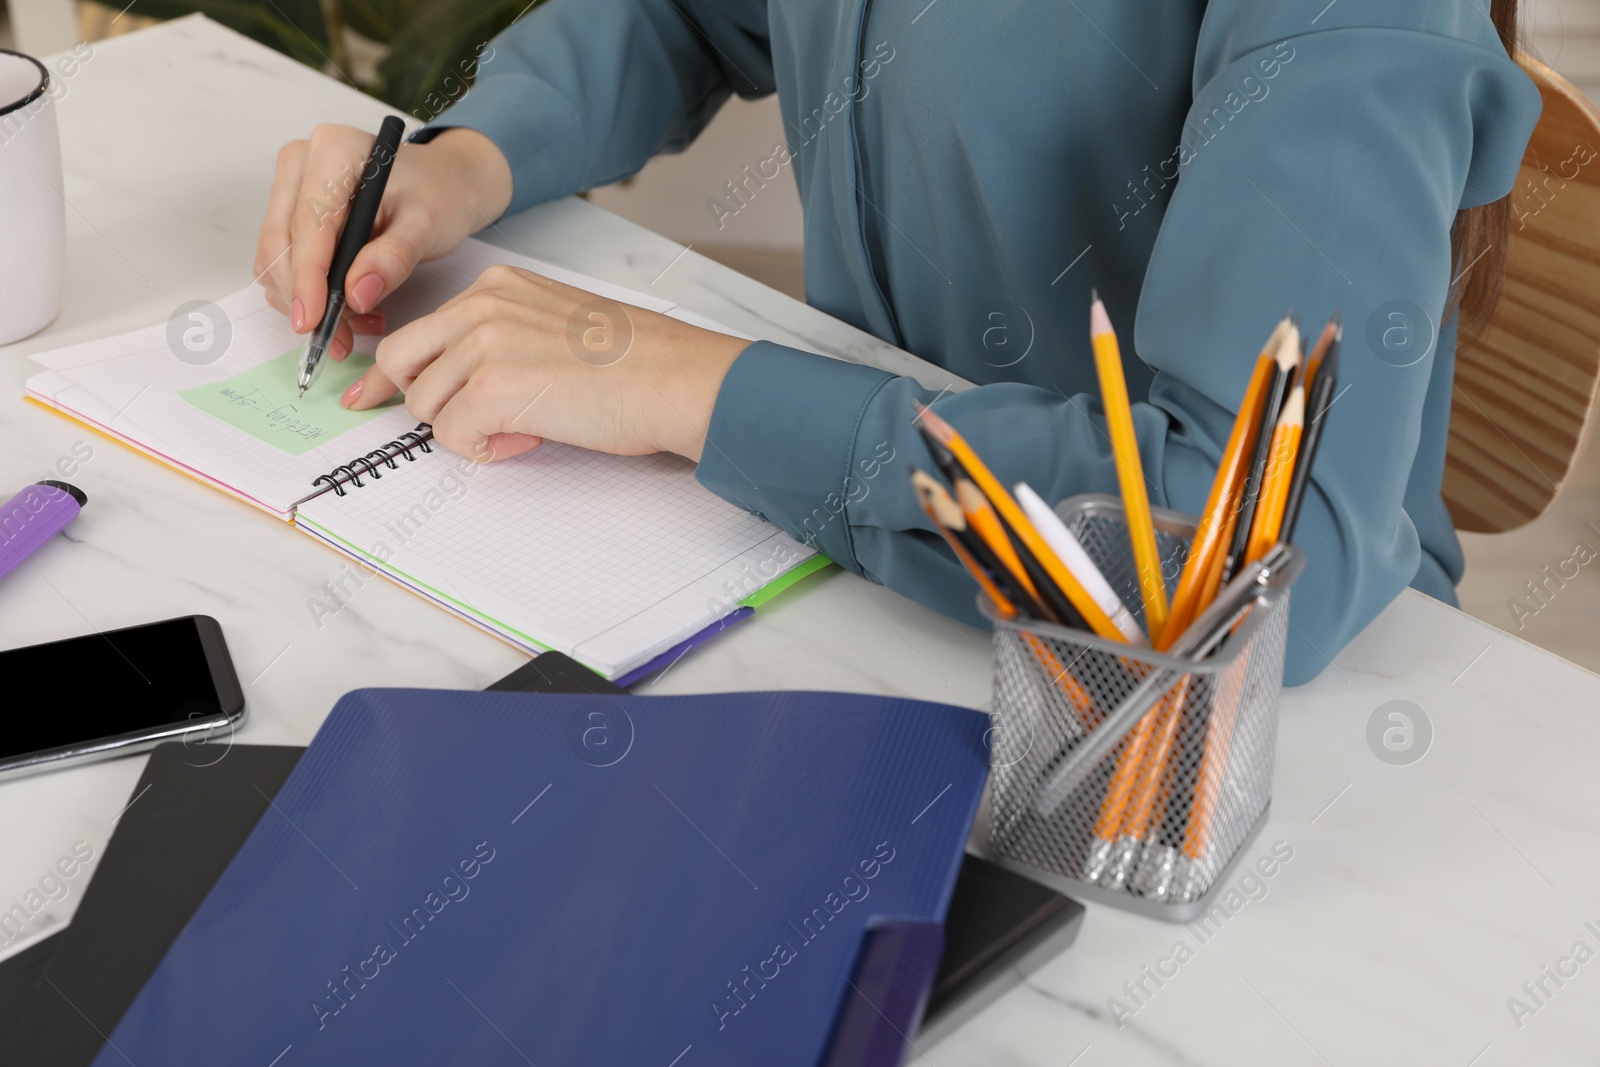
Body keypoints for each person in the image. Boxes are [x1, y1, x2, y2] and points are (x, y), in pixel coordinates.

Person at [255, 0, 1539, 684]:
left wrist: (690, 389)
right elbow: (687, 12)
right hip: (858, 575)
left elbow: (1250, 555)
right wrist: (481, 153)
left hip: (1212, 740)